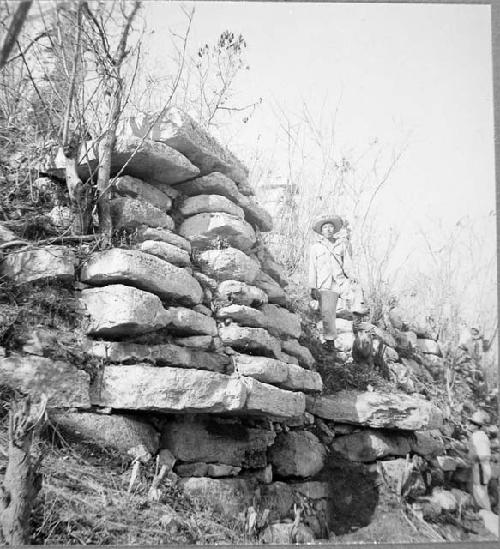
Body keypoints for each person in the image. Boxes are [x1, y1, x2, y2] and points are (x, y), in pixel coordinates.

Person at [308, 213, 364, 343]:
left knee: (356, 290)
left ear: (334, 229)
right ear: (321, 231)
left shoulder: (341, 245)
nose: (328, 229)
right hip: (325, 284)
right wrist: (312, 287)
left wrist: (352, 277)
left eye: (330, 227)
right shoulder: (316, 247)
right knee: (327, 313)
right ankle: (330, 342)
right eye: (325, 227)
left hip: (340, 281)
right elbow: (312, 268)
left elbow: (347, 265)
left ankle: (357, 321)